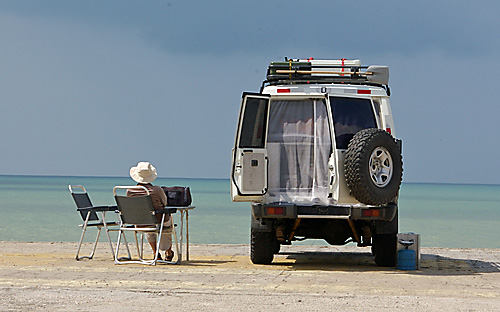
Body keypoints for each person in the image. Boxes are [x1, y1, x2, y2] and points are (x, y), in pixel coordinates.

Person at [127, 161, 174, 261]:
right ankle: (168, 252)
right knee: (166, 224)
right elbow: (164, 203)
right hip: (158, 221)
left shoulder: (130, 191)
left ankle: (155, 253)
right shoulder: (157, 189)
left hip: (139, 223)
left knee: (148, 223)